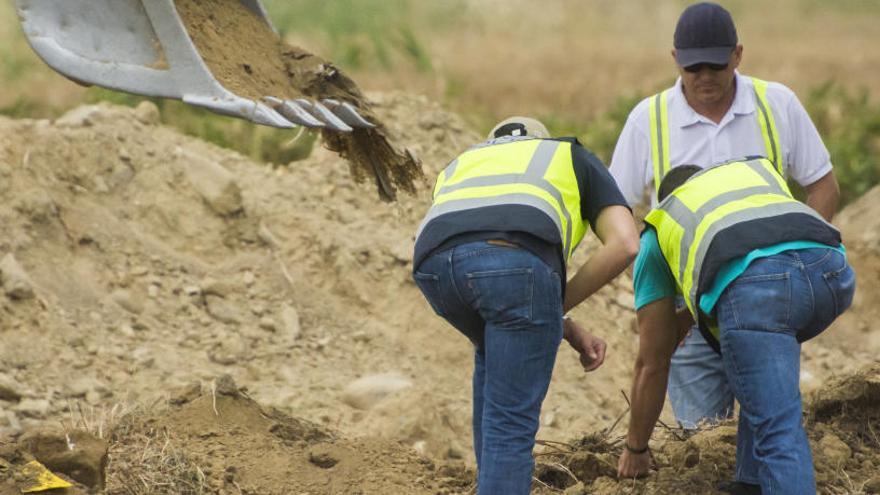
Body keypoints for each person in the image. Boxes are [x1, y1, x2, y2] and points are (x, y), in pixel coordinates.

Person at [608, 1, 841, 430]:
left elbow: (823, 186)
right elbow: (616, 213)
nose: (704, 78)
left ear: (738, 54)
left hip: (765, 299)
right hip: (689, 313)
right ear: (675, 59)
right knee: (702, 438)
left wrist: (801, 259)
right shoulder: (648, 120)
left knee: (768, 429)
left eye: (716, 65)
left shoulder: (777, 104)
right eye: (693, 67)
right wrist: (656, 297)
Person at [413, 116, 639, 494]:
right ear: (540, 141)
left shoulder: (463, 163)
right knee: (510, 425)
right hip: (515, 269)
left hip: (434, 269)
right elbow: (626, 243)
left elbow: (481, 262)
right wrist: (549, 306)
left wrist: (557, 319)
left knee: (494, 355)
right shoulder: (568, 154)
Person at [616, 157, 855, 494]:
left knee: (778, 430)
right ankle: (750, 482)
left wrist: (636, 448)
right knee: (760, 364)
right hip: (832, 273)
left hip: (763, 289)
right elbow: (779, 258)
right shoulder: (749, 176)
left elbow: (652, 363)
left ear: (666, 199)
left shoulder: (660, 228)